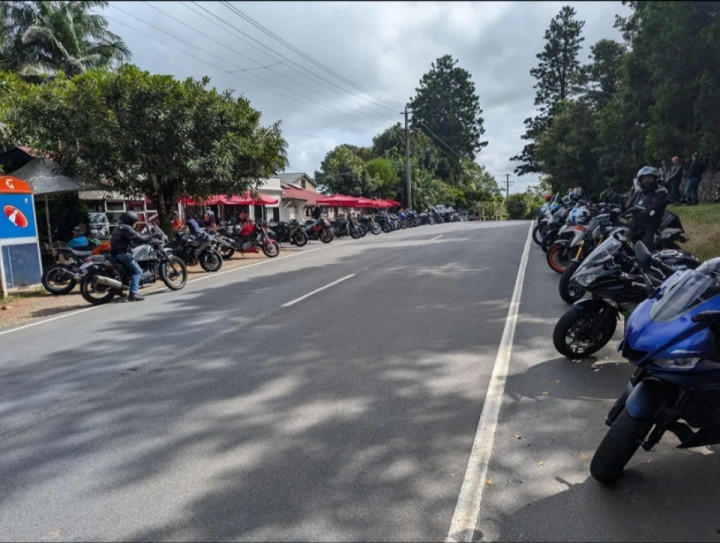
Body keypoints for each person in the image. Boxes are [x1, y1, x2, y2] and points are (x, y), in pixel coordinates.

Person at [110, 210, 152, 302]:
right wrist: (150, 237)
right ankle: (133, 293)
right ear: (131, 221)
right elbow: (138, 238)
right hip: (122, 254)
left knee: (130, 270)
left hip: (115, 253)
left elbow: (131, 239)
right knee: (137, 272)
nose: (135, 223)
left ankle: (118, 289)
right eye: (135, 221)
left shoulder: (119, 228)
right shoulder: (126, 228)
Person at [627, 166, 668, 251]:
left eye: (650, 178)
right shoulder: (639, 193)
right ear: (640, 180)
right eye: (644, 179)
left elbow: (652, 207)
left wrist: (634, 207)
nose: (647, 181)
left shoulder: (660, 192)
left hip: (649, 228)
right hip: (634, 226)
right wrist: (621, 202)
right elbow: (629, 205)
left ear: (655, 179)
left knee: (645, 256)